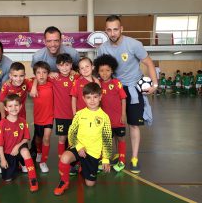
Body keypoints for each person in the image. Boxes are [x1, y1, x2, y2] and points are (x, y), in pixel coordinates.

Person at [97, 15, 158, 174]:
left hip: (133, 88)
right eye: (109, 30)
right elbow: (99, 71)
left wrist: (155, 83)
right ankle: (119, 154)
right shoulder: (102, 48)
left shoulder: (134, 44)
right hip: (112, 90)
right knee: (115, 125)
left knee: (133, 124)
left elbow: (149, 62)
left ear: (121, 29)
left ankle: (135, 158)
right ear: (106, 31)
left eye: (115, 29)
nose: (112, 33)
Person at [53, 83, 112, 196]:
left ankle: (82, 166)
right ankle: (64, 182)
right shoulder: (79, 114)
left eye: (95, 97)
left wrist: (105, 159)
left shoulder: (104, 117)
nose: (92, 100)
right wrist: (79, 146)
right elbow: (71, 133)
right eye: (89, 97)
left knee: (90, 184)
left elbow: (107, 138)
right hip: (78, 146)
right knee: (64, 158)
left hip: (93, 152)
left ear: (100, 97)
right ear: (84, 98)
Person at [0, 94, 38, 192]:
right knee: (8, 178)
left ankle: (33, 179)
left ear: (21, 106)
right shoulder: (2, 123)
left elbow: (26, 138)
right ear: (5, 108)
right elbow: (0, 144)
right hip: (8, 153)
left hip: (19, 149)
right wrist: (2, 159)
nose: (14, 108)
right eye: (10, 106)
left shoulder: (23, 121)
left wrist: (17, 146)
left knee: (25, 151)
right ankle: (15, 164)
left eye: (16, 105)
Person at [94, 54, 127, 172]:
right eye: (101, 71)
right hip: (105, 120)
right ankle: (104, 160)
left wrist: (123, 114)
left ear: (112, 70)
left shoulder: (116, 82)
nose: (104, 73)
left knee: (121, 138)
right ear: (98, 71)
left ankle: (122, 161)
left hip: (118, 118)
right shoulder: (98, 84)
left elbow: (123, 98)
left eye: (107, 70)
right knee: (106, 140)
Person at [49, 54, 79, 159]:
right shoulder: (54, 77)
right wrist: (49, 73)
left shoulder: (76, 76)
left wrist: (76, 72)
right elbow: (40, 76)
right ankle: (61, 158)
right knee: (62, 138)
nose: (64, 68)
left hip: (75, 114)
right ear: (57, 66)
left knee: (74, 138)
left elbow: (86, 75)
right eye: (62, 65)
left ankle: (73, 158)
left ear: (71, 65)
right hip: (60, 115)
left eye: (67, 65)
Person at [30, 61, 54, 173]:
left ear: (48, 74)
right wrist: (34, 85)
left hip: (49, 117)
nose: (41, 75)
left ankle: (43, 161)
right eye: (38, 72)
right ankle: (39, 152)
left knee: (46, 138)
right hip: (38, 118)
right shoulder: (31, 84)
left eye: (44, 72)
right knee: (38, 138)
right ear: (35, 74)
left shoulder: (51, 83)